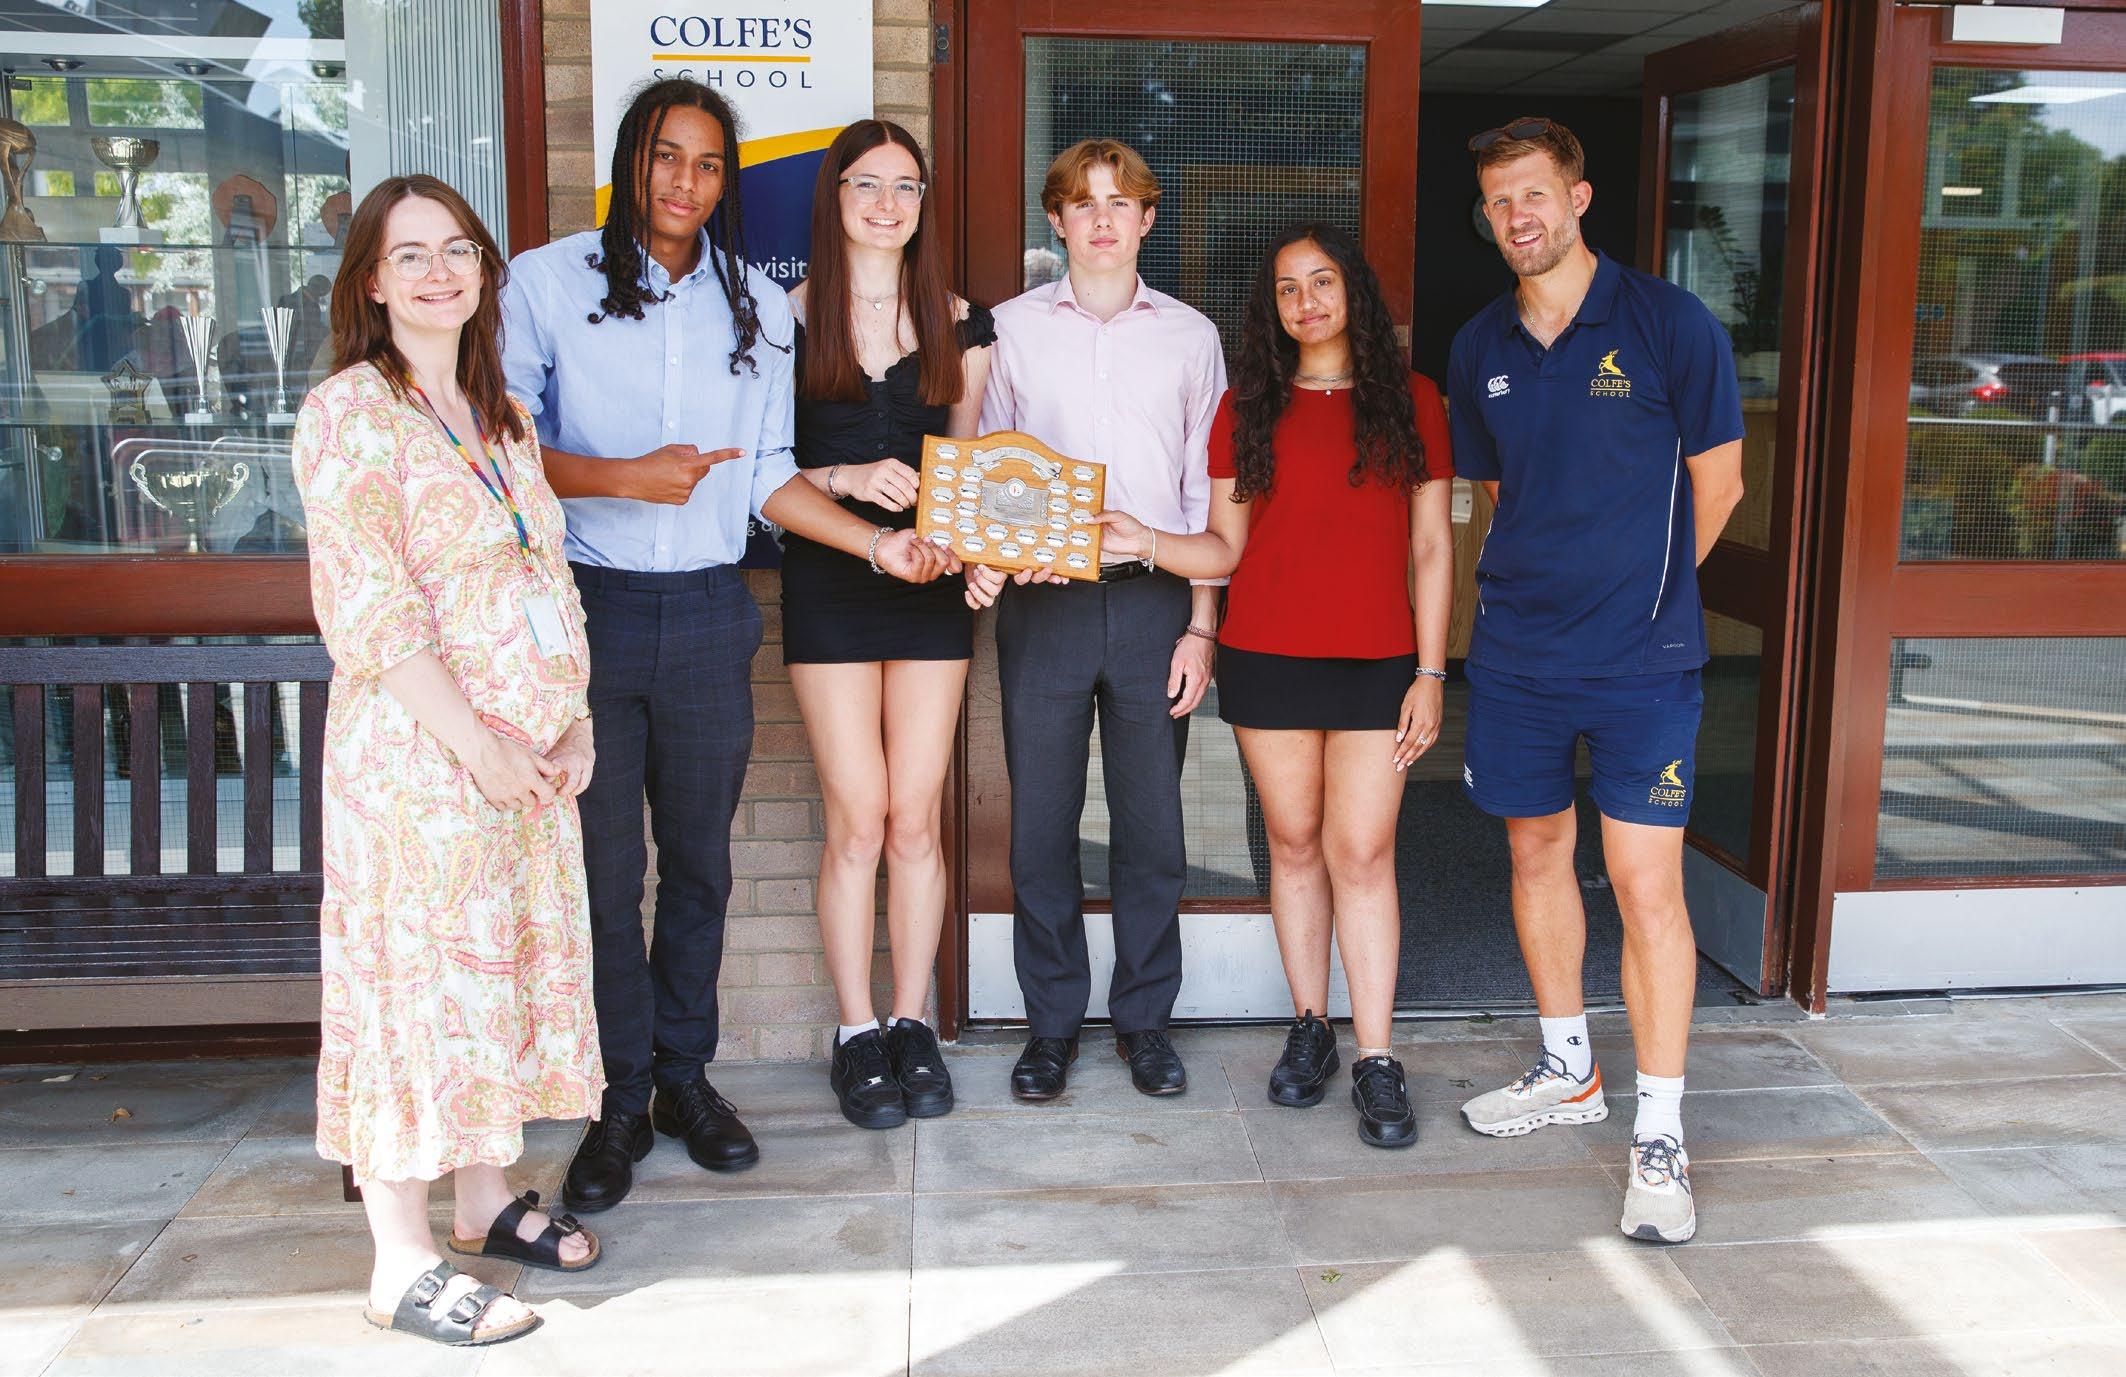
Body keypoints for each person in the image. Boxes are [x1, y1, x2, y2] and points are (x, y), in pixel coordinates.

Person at [501, 80, 954, 1213]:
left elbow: (766, 476)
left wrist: (875, 544)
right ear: (630, 161)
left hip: (710, 610)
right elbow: (496, 445)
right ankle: (616, 1101)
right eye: (667, 157)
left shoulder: (754, 304)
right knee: (610, 873)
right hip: (592, 609)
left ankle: (683, 1081)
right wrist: (618, 477)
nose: (685, 182)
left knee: (701, 865)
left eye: (707, 165)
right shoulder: (545, 283)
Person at [294, 174, 602, 1348]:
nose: (438, 273)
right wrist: (477, 744)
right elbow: (368, 613)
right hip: (421, 767)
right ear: (371, 282)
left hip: (524, 770)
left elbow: (546, 571)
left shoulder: (500, 411)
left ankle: (482, 1201)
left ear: (484, 271)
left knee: (496, 981)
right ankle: (401, 1258)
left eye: (458, 250)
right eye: (410, 255)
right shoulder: (350, 414)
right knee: (415, 990)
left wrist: (572, 721)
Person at [1446, 117, 1745, 1243]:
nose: (1515, 217)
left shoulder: (1669, 323)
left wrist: (1644, 600)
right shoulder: (1479, 345)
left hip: (1641, 665)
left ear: (1577, 197)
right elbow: (1499, 498)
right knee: (1534, 853)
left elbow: (1718, 485)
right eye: (1497, 201)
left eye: (1533, 193)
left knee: (1642, 883)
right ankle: (1567, 1067)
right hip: (1519, 658)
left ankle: (1659, 1132)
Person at [1103, 221, 1455, 1147]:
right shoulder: (1246, 407)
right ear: (1271, 308)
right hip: (1267, 655)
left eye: (1323, 281)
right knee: (1294, 844)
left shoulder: (1412, 399)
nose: (1307, 301)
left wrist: (1431, 670)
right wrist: (1151, 550)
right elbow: (1224, 549)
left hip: (1379, 662)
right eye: (1289, 288)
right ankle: (1310, 1025)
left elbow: (1431, 547)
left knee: (1362, 852)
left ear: (1353, 291)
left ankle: (1377, 1055)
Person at [965, 138, 1226, 1101]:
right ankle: (1052, 1026)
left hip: (1156, 597)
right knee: (1040, 826)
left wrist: (1201, 625)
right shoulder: (1011, 329)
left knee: (1153, 826)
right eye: (1084, 203)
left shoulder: (1191, 337)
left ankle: (1145, 1021)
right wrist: (993, 553)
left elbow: (1205, 494)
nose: (1103, 219)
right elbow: (986, 466)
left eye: (1121, 202)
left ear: (1148, 219)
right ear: (1057, 219)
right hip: (1045, 604)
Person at [784, 119, 993, 1128]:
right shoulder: (782, 318)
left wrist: (974, 551)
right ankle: (856, 1030)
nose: (886, 204)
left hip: (928, 590)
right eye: (866, 184)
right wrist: (847, 477)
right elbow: (764, 474)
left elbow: (969, 471)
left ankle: (912, 1022)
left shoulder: (964, 324)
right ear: (834, 197)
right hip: (829, 586)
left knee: (915, 816)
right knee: (858, 817)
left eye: (905, 186)